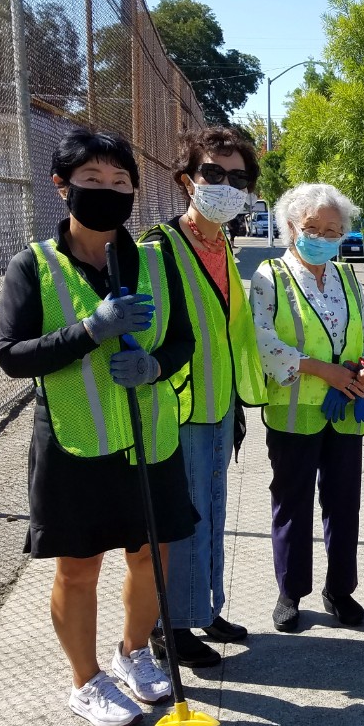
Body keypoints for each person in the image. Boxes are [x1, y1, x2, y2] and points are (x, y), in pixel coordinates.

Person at [0, 128, 195, 726]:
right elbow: (12, 356)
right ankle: (85, 681)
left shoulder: (158, 262)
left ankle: (134, 652)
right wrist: (89, 330)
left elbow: (183, 340)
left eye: (119, 181)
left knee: (151, 558)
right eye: (92, 181)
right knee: (79, 568)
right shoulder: (32, 266)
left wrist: (156, 364)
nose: (108, 192)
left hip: (150, 440)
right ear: (62, 187)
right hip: (75, 444)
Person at [140, 126, 266, 668]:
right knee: (181, 523)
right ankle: (170, 627)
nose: (224, 184)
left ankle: (205, 608)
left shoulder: (222, 245)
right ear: (187, 179)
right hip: (177, 410)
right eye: (213, 173)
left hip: (218, 407)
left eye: (237, 178)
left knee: (212, 513)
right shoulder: (159, 246)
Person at [250, 183, 364, 632]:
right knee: (292, 501)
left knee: (343, 503)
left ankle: (339, 590)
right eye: (311, 228)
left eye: (332, 230)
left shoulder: (346, 277)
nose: (321, 237)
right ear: (290, 228)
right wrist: (322, 370)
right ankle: (291, 590)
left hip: (345, 409)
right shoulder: (270, 276)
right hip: (293, 411)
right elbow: (262, 339)